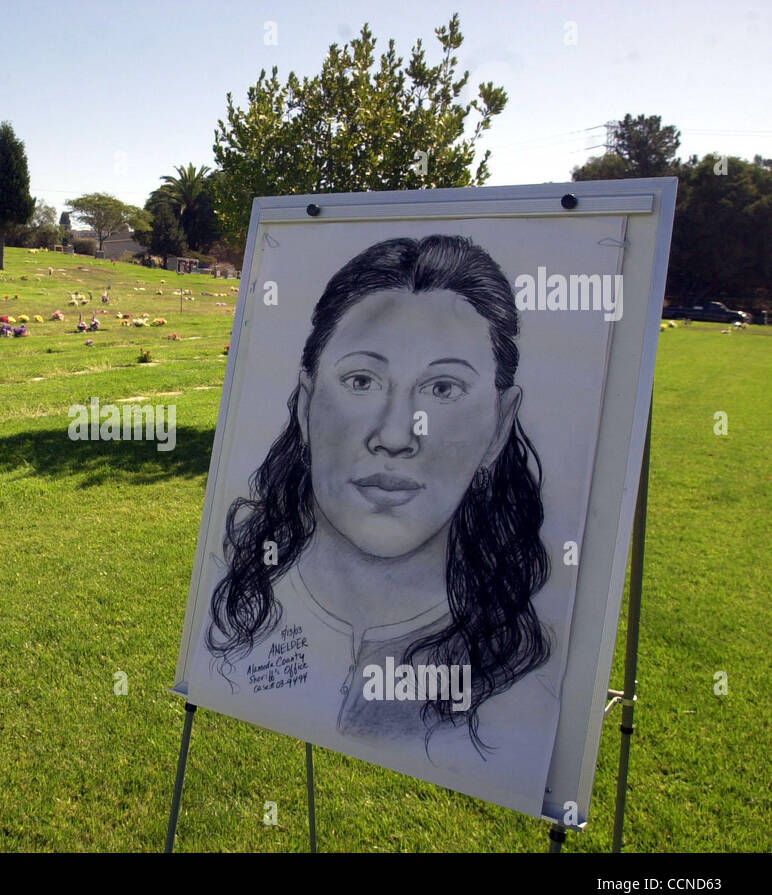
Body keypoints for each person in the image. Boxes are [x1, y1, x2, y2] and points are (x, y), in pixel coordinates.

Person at [203, 234, 555, 757]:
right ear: (305, 407)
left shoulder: (523, 683)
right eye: (362, 380)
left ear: (500, 427)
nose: (395, 435)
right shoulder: (240, 604)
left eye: (442, 389)